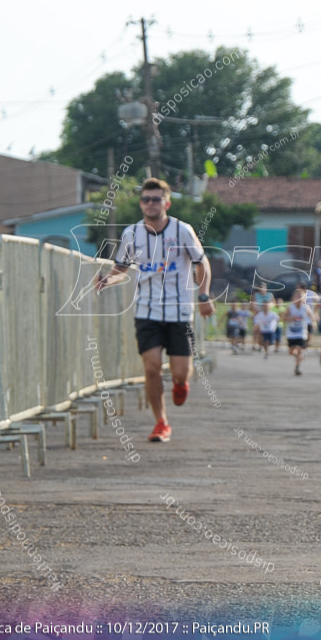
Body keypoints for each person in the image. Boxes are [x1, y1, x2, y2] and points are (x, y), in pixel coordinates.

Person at [96, 178, 214, 443]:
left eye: (156, 199)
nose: (151, 203)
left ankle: (180, 383)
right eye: (146, 199)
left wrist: (204, 294)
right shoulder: (131, 234)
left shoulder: (182, 230)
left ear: (167, 203)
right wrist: (107, 280)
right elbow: (121, 270)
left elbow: (201, 262)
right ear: (141, 203)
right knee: (150, 368)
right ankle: (161, 422)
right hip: (146, 310)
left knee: (180, 372)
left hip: (179, 311)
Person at [284, 285, 314, 376]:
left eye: (302, 296)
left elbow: (311, 316)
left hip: (301, 333)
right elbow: (284, 318)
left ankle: (297, 368)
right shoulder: (290, 307)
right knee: (291, 352)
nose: (300, 298)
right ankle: (298, 357)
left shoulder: (306, 307)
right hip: (291, 333)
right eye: (298, 296)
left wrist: (314, 322)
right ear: (293, 298)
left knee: (299, 349)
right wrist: (290, 318)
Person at [250, 282, 274, 351]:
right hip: (258, 314)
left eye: (263, 288)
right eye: (260, 288)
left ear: (266, 288)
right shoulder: (256, 295)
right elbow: (252, 305)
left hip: (266, 314)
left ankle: (262, 345)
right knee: (256, 330)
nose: (261, 289)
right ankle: (255, 344)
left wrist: (268, 305)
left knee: (263, 331)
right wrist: (254, 307)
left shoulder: (270, 295)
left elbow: (273, 303)